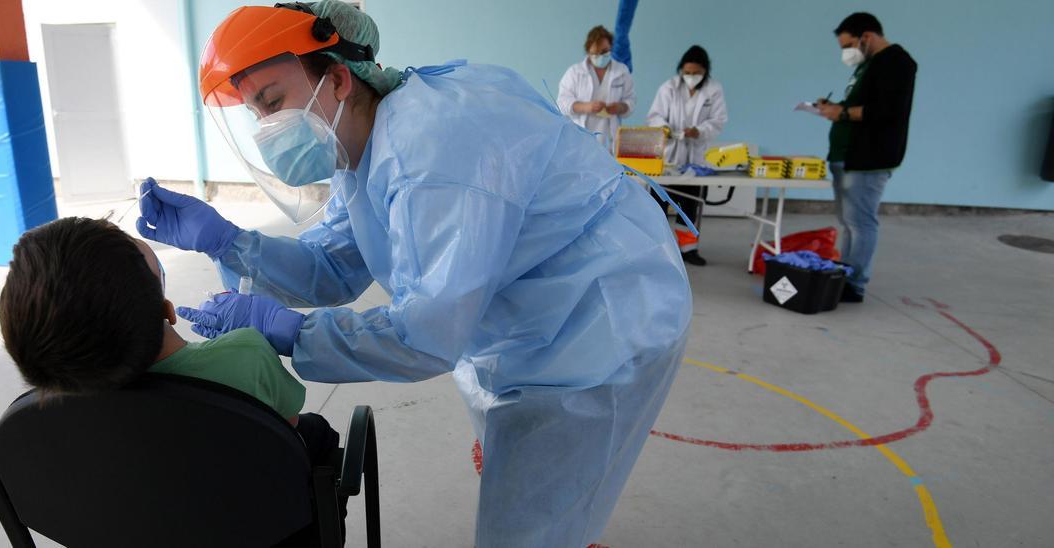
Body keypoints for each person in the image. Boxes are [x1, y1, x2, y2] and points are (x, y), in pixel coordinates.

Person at [136, 2, 691, 546]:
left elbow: (424, 336)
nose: (267, 127)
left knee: (532, 520)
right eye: (255, 113)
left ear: (336, 79)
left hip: (598, 324)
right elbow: (335, 264)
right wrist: (229, 242)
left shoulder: (432, 154)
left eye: (273, 100)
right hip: (523, 316)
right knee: (530, 478)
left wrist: (296, 333)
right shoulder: (363, 145)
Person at [0, 217, 343, 514]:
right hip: (254, 522)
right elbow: (287, 432)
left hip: (130, 520)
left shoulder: (49, 410)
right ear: (167, 310)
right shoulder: (246, 355)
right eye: (134, 246)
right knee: (316, 433)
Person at [815, 12, 916, 302]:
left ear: (866, 37)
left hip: (868, 158)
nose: (847, 53)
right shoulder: (870, 65)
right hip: (847, 156)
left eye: (848, 46)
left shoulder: (896, 63)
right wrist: (836, 108)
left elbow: (886, 110)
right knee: (849, 221)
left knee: (861, 222)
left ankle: (854, 283)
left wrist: (842, 113)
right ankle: (844, 273)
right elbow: (863, 104)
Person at [646, 45, 728, 266]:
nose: (691, 77)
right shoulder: (669, 88)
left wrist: (699, 131)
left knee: (690, 206)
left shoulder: (714, 89)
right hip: (669, 155)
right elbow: (654, 116)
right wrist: (664, 128)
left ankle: (688, 249)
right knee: (658, 205)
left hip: (696, 157)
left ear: (705, 71)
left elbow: (718, 120)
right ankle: (658, 251)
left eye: (696, 73)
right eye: (687, 73)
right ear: (681, 70)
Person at [557, 25, 636, 154]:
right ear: (588, 51)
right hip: (580, 139)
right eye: (595, 53)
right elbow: (561, 104)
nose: (600, 56)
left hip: (610, 140)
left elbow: (631, 100)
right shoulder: (574, 73)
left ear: (611, 48)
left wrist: (621, 107)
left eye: (604, 51)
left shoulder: (622, 71)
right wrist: (586, 107)